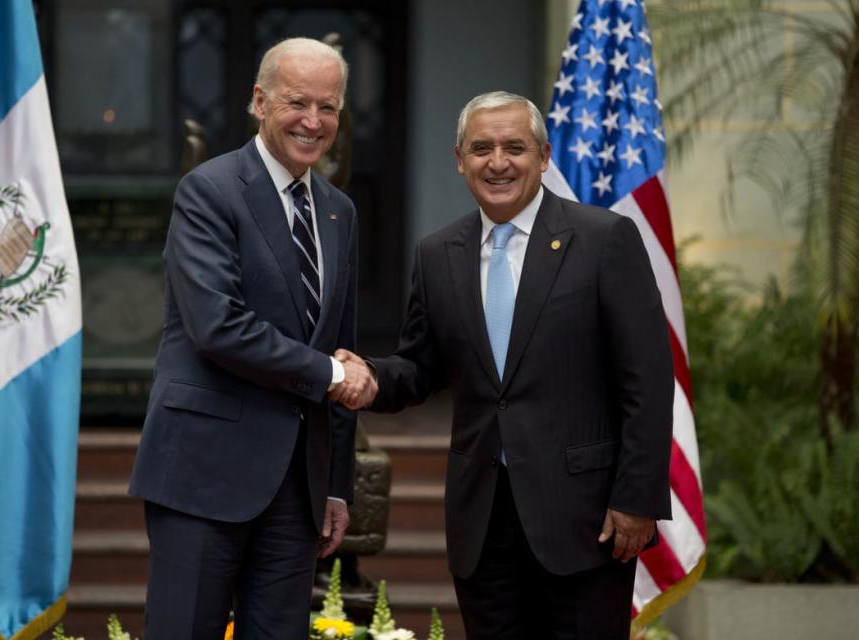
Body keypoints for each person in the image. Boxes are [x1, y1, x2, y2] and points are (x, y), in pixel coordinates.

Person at [337, 91, 673, 639]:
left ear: (543, 157)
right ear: (459, 160)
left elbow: (648, 380)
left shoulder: (603, 238)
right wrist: (369, 376)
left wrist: (636, 498)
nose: (498, 162)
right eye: (482, 148)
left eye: (515, 147)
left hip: (586, 521)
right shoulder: (437, 252)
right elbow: (421, 366)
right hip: (482, 522)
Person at [129, 37, 373, 639]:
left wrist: (336, 486)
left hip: (297, 490)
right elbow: (219, 326)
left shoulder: (340, 212)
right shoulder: (208, 191)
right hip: (202, 473)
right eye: (297, 102)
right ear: (259, 101)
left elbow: (338, 345)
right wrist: (334, 376)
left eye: (329, 107)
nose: (313, 122)